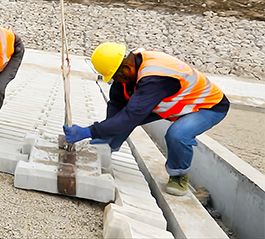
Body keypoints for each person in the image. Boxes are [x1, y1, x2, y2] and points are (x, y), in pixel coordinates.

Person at [63, 42, 229, 196]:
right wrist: (104, 136)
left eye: (116, 77)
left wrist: (90, 131)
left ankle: (179, 175)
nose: (116, 81)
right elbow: (117, 105)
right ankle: (106, 149)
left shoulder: (155, 80)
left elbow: (130, 117)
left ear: (126, 68)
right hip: (170, 103)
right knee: (119, 121)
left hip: (206, 105)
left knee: (178, 134)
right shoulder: (132, 66)